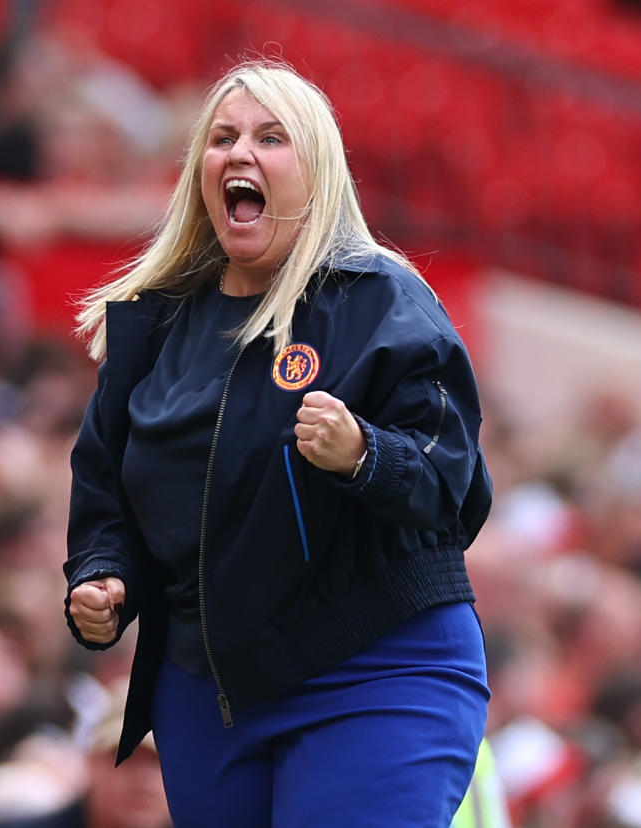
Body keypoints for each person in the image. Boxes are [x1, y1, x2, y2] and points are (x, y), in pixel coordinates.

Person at [62, 59, 493, 827]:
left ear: (319, 175)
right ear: (201, 172)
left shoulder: (381, 299)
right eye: (222, 138)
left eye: (271, 138)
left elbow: (453, 487)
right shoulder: (153, 326)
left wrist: (366, 454)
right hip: (209, 689)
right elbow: (106, 489)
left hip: (372, 665)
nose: (240, 153)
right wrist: (101, 575)